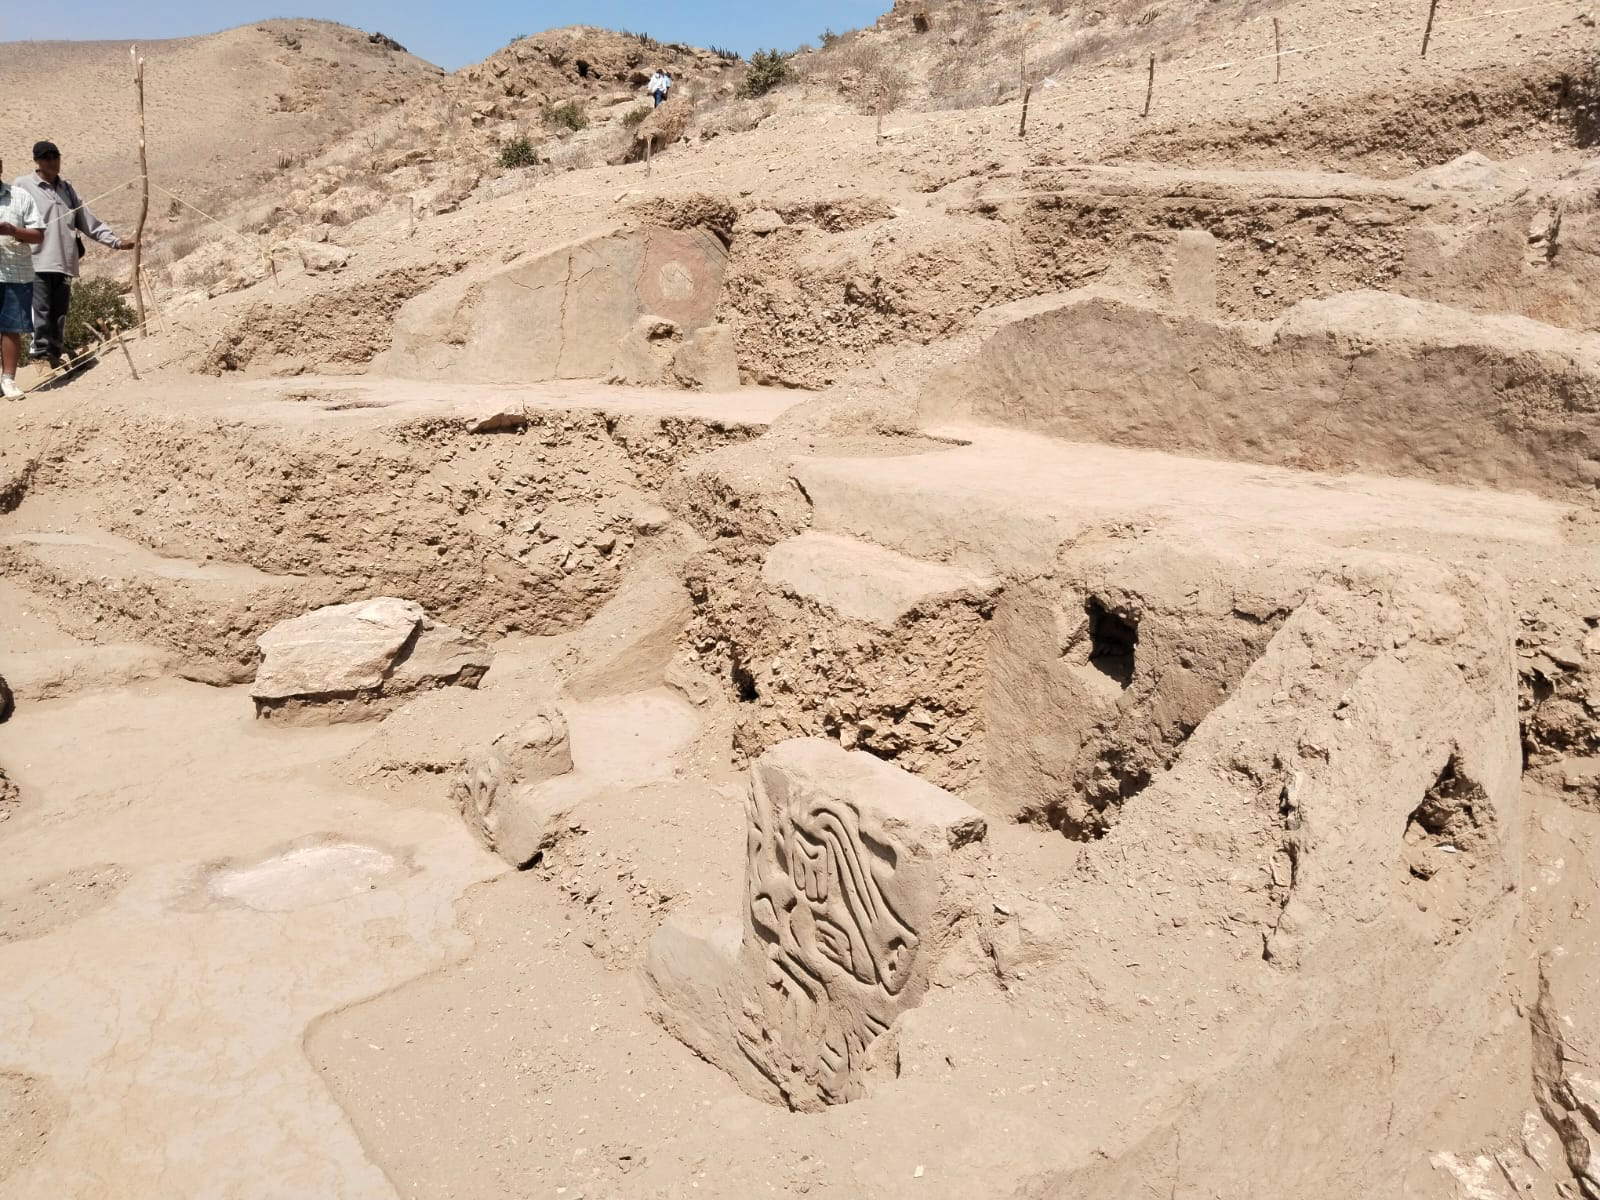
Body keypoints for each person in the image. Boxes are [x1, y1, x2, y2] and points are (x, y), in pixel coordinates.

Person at [14, 141, 136, 370]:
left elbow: (89, 222)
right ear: (37, 162)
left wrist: (117, 242)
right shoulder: (23, 185)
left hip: (65, 262)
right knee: (40, 309)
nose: (52, 161)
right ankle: (39, 355)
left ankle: (54, 355)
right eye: (46, 157)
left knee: (59, 313)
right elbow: (11, 217)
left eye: (55, 156)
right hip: (35, 260)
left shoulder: (67, 189)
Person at [0, 157, 45, 399]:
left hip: (15, 271)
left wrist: (12, 231)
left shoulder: (20, 196)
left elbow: (38, 235)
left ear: (0, 166)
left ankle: (8, 379)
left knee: (11, 327)